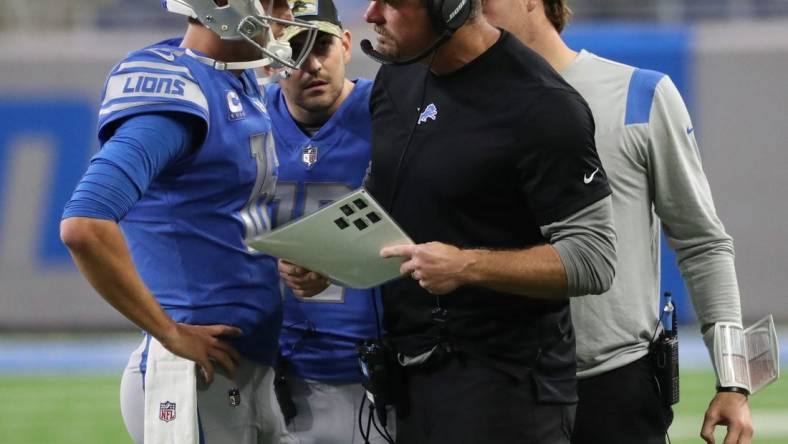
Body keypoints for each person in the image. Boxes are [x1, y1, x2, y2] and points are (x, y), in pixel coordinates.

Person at [481, 1, 753, 443]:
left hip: (616, 389)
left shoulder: (637, 94)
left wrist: (734, 379)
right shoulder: (459, 109)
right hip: (498, 388)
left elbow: (702, 242)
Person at [59, 1, 318, 443]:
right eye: (274, 1)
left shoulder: (234, 78)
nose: (285, 13)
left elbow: (217, 215)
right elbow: (84, 223)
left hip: (245, 366)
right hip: (194, 375)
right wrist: (169, 332)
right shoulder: (179, 93)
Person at [361, 0, 618, 442]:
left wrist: (467, 266)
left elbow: (593, 259)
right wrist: (324, 258)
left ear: (449, 8)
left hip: (509, 390)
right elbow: (383, 199)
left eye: (393, 2)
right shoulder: (395, 78)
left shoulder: (543, 105)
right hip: (412, 377)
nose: (371, 14)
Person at [264, 0, 393, 442]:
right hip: (279, 373)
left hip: (379, 372)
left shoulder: (392, 110)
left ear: (346, 44)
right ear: (269, 58)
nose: (312, 65)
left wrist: (340, 259)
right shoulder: (247, 120)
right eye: (293, 51)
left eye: (321, 46)